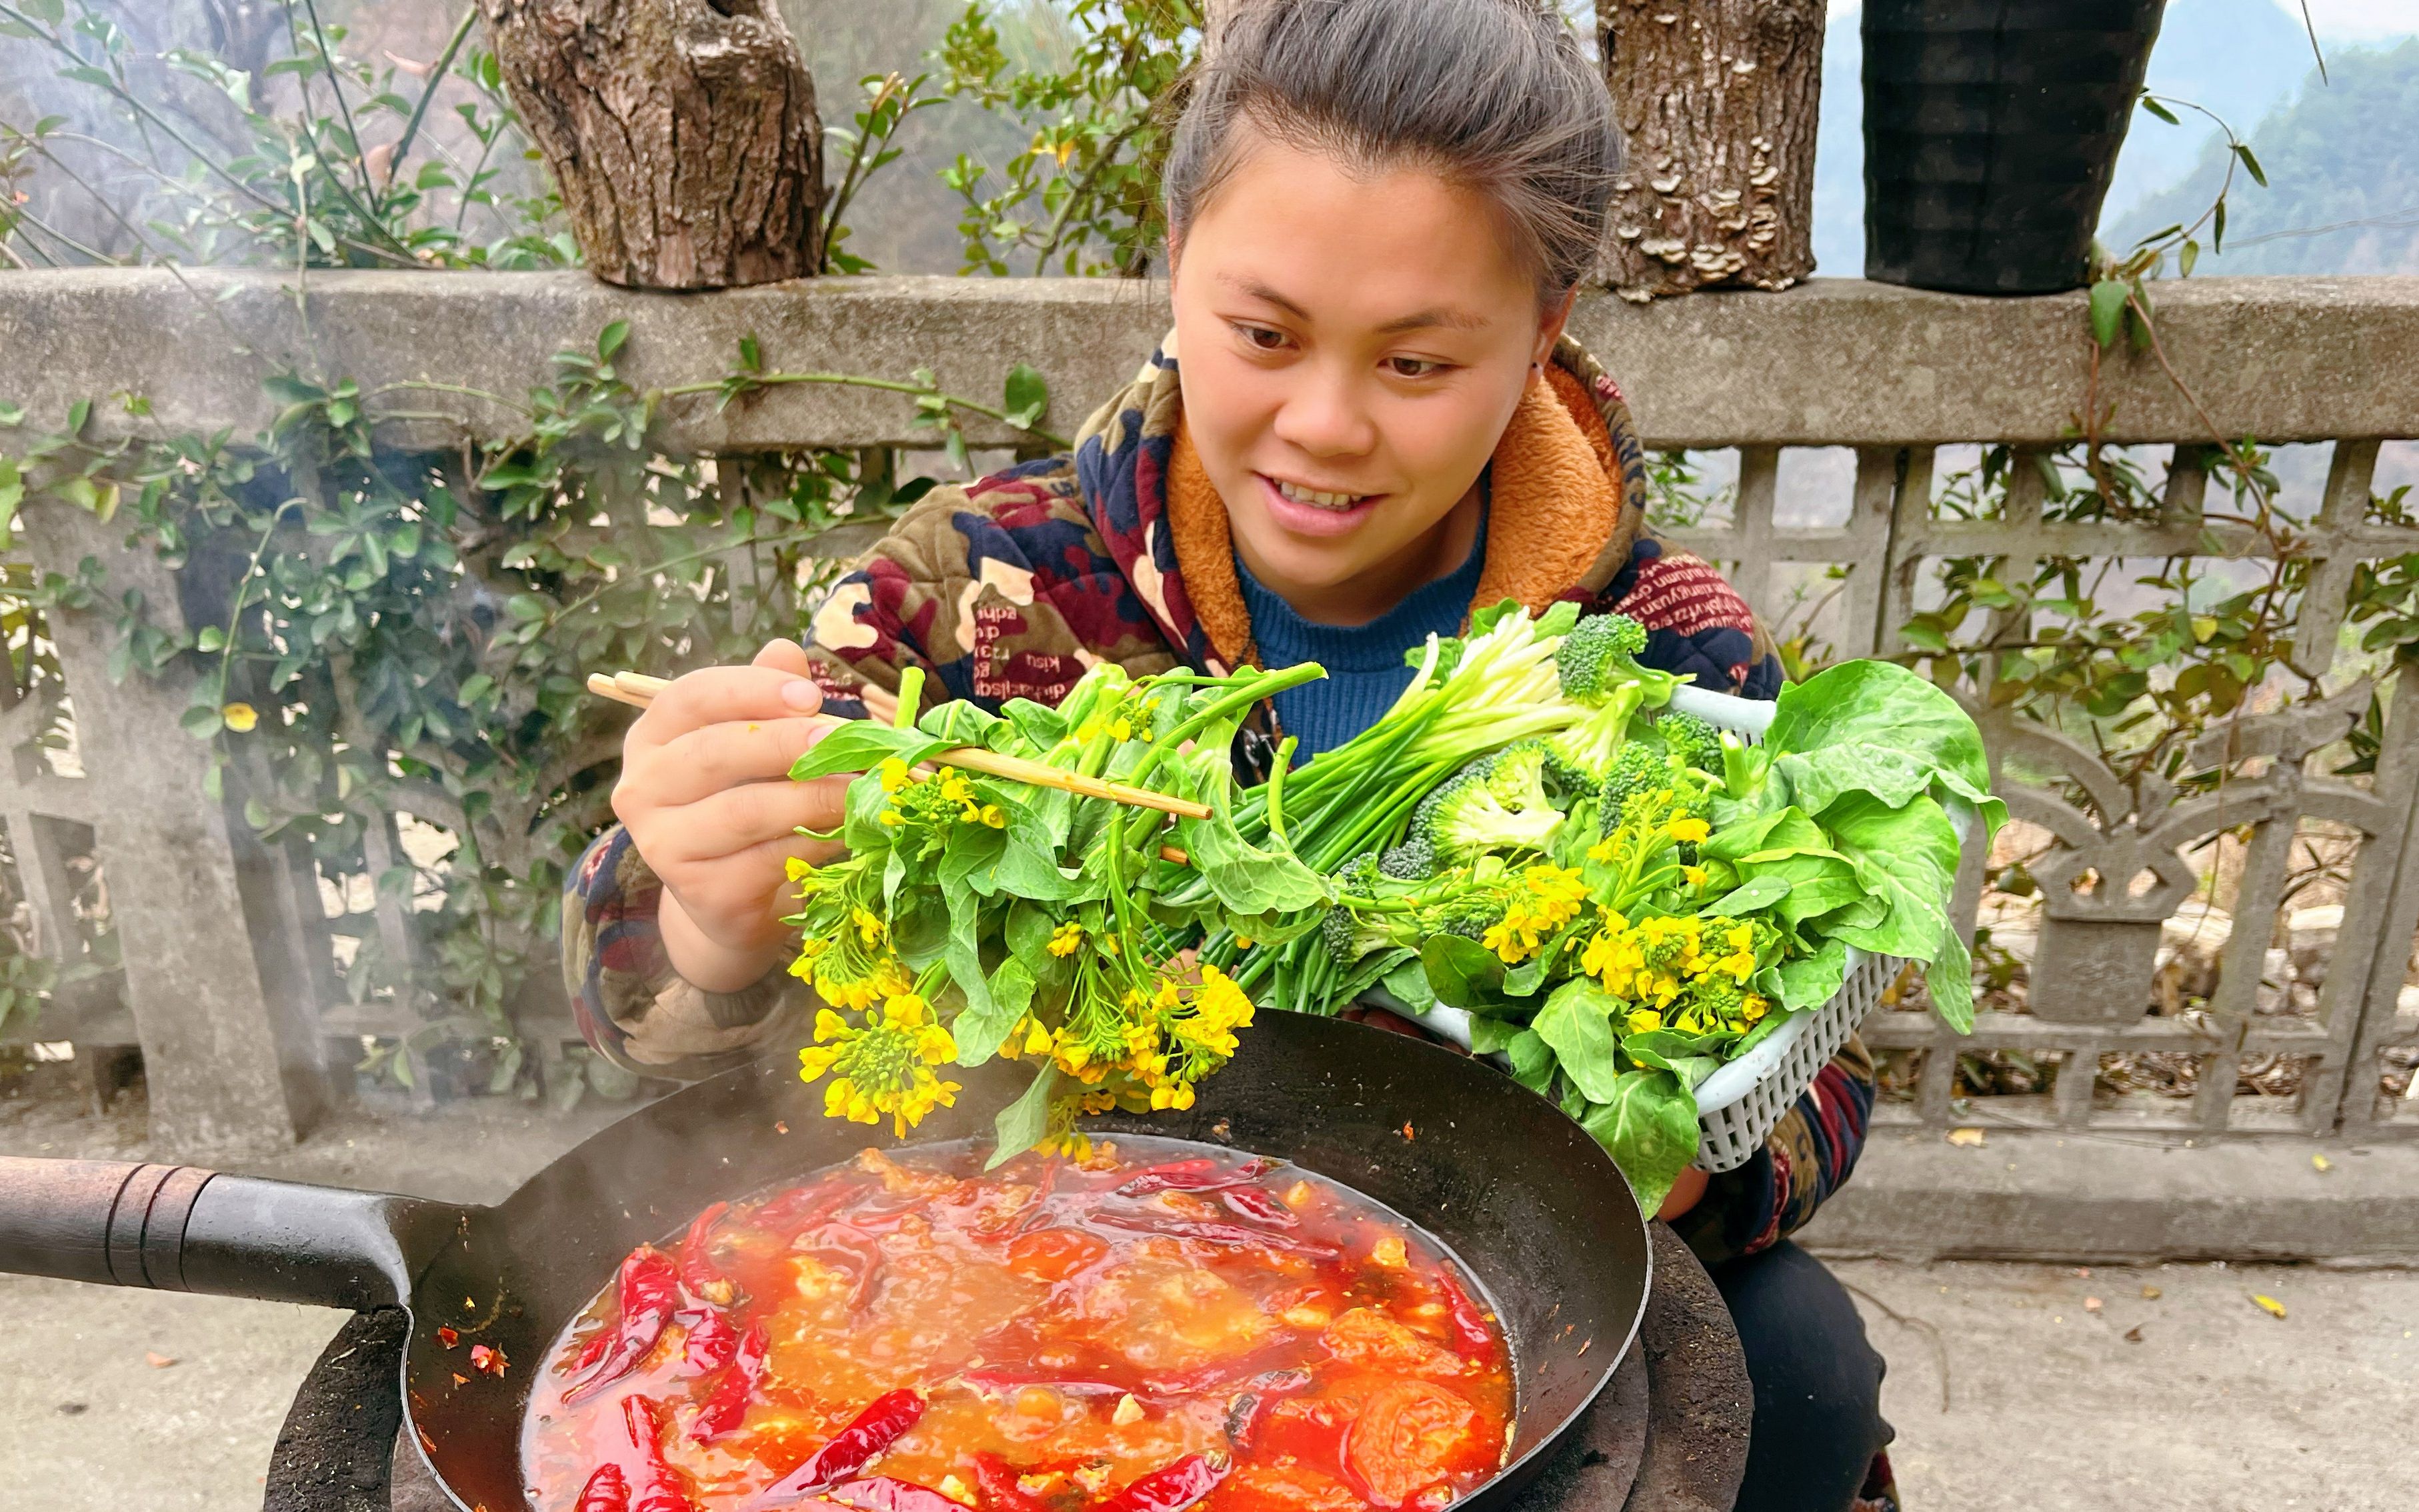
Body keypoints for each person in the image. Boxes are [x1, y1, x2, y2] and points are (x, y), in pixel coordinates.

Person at [564, 3, 1894, 1507]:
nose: (1320, 427)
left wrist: (1680, 1161)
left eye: (1413, 364)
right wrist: (704, 919)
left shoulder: (1662, 656)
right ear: (1174, 266)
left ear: (1542, 333)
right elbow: (650, 1031)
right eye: (1260, 335)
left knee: (1795, 1358)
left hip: (1453, 1283)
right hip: (1024, 1253)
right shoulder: (979, 588)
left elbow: (1820, 1076)